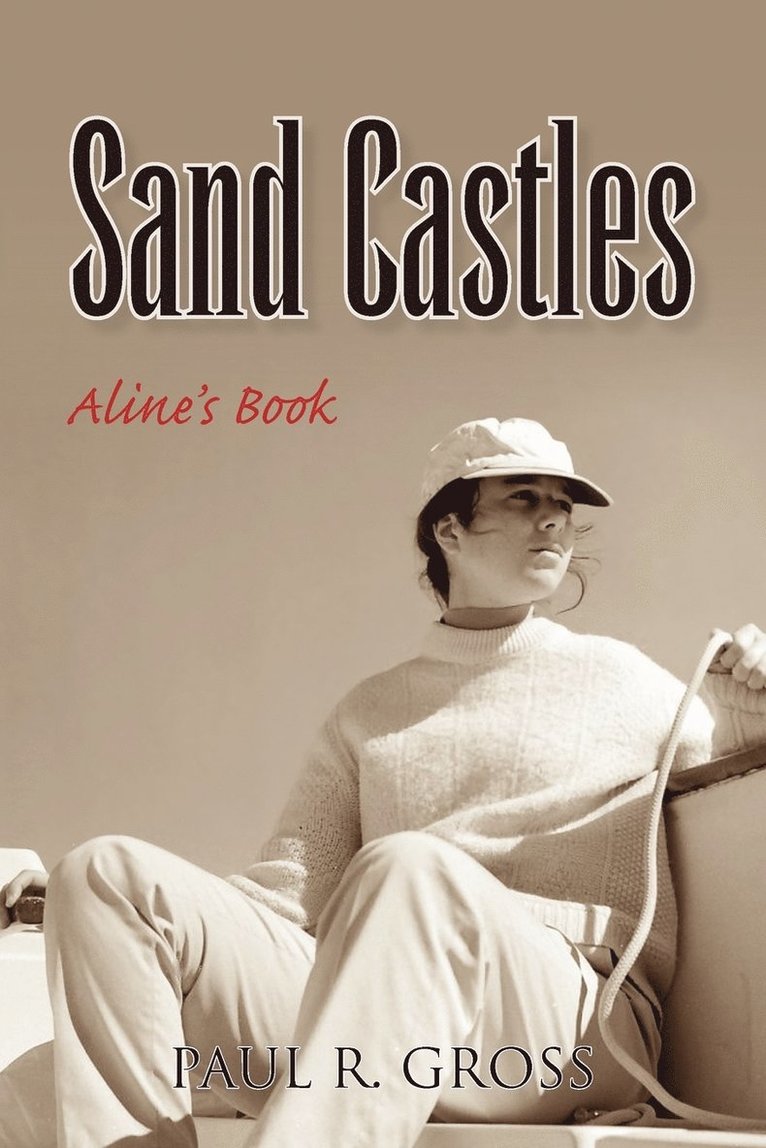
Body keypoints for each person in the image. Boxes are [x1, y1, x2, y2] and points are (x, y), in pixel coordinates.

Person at [3, 416, 766, 1148]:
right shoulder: (370, 711)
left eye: (563, 506)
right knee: (105, 871)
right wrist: (60, 898)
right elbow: (285, 898)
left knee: (408, 869)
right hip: (383, 1025)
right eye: (523, 497)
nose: (552, 520)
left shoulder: (623, 678)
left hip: (570, 1029)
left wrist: (747, 719)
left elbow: (720, 777)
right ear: (449, 530)